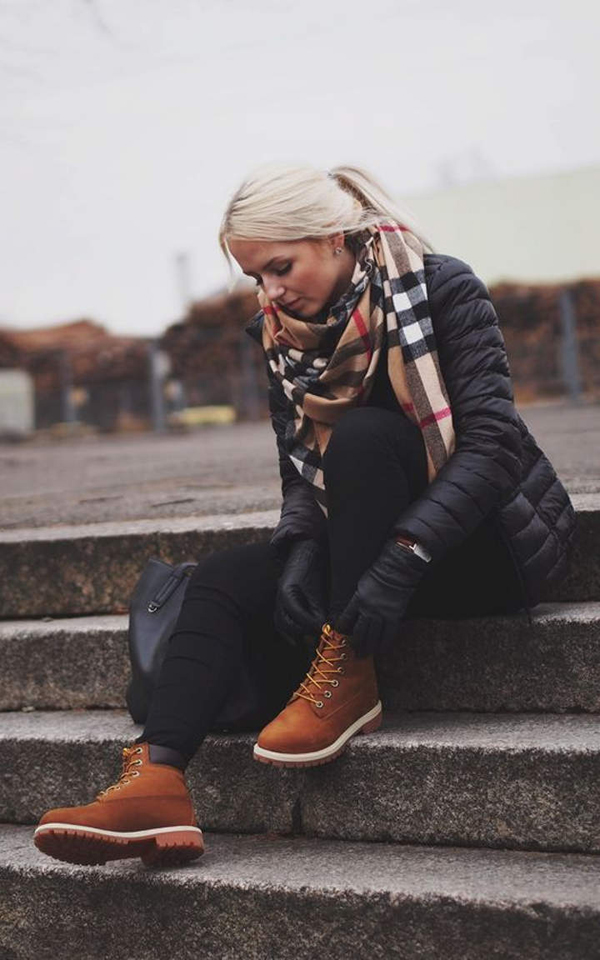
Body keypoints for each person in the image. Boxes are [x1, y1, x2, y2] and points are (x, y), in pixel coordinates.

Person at [33, 163, 576, 868]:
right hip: (366, 558)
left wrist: (404, 555)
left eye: (280, 268)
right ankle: (155, 783)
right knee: (223, 577)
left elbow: (494, 446)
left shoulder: (442, 287)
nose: (270, 293)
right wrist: (301, 551)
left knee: (365, 436)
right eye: (255, 277)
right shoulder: (281, 335)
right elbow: (300, 477)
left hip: (482, 544)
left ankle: (345, 676)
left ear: (332, 237)